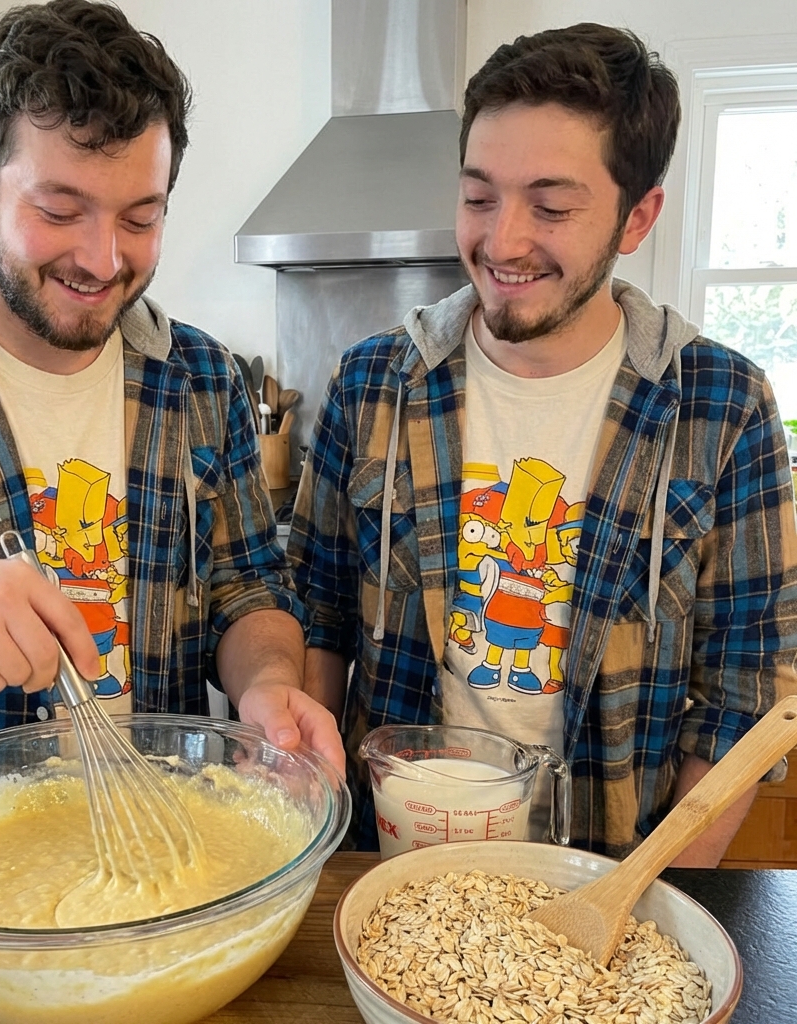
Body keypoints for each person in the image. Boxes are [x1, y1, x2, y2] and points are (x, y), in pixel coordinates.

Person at [0, 0, 343, 809]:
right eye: (59, 210)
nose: (103, 259)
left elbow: (247, 592)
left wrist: (269, 684)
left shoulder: (202, 380)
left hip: (163, 853)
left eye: (140, 218)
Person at [288, 23, 797, 863]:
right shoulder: (374, 382)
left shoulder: (723, 407)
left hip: (605, 865)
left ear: (638, 218)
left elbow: (746, 692)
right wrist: (319, 818)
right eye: (479, 196)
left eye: (552, 207)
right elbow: (319, 614)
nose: (503, 241)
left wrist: (650, 892)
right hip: (391, 866)